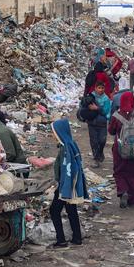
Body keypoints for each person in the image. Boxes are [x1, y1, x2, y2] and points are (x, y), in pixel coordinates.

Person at [49, 118, 87, 249]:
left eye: (54, 132)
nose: (53, 135)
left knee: (54, 210)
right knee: (71, 209)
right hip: (70, 185)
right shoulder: (70, 144)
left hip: (65, 186)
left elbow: (67, 170)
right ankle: (77, 238)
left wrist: (62, 188)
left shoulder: (65, 149)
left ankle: (61, 240)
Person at [108, 91, 134, 208]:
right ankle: (132, 198)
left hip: (120, 148)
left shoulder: (116, 116)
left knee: (120, 171)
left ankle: (123, 191)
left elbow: (111, 131)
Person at [87, 81, 111, 167]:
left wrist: (97, 108)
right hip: (92, 123)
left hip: (102, 123)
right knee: (94, 142)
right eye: (99, 88)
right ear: (95, 88)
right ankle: (96, 159)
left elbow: (106, 111)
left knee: (102, 141)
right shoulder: (90, 97)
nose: (100, 90)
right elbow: (84, 107)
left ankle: (100, 152)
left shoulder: (106, 99)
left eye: (102, 88)